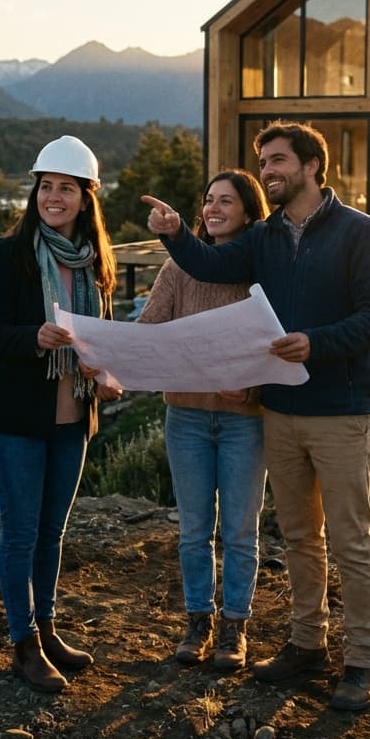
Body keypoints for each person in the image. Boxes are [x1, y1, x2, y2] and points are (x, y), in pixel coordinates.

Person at [142, 120, 370, 711]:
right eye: (264, 163)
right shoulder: (266, 238)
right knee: (302, 538)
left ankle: (360, 659)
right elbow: (207, 267)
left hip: (342, 411)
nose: (268, 172)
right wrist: (178, 233)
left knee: (352, 541)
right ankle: (307, 643)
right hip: (279, 412)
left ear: (312, 165)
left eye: (278, 160)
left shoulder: (360, 233)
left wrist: (315, 341)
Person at [0, 135, 122, 694]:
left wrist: (103, 374)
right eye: (46, 187)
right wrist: (34, 337)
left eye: (66, 188)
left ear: (86, 198)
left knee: (51, 534)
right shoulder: (9, 253)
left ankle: (49, 629)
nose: (53, 198)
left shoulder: (94, 261)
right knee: (20, 533)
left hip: (71, 418)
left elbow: (95, 341)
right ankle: (24, 644)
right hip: (15, 418)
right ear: (35, 191)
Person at [138, 169, 269, 671]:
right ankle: (199, 621)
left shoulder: (260, 269)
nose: (214, 209)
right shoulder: (178, 268)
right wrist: (101, 347)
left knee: (239, 530)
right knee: (194, 530)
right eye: (209, 200)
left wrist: (252, 387)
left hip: (244, 420)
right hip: (186, 417)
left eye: (226, 201)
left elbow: (274, 343)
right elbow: (149, 329)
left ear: (248, 211)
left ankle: (235, 626)